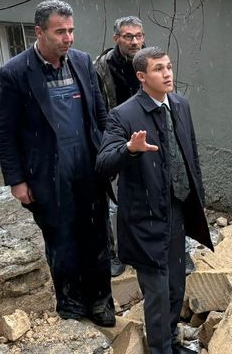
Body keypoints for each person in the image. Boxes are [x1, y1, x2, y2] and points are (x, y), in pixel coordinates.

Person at [0, 0, 115, 326]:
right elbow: (5, 134)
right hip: (47, 170)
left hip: (87, 163)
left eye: (71, 30)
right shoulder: (14, 74)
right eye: (60, 31)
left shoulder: (82, 62)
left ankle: (101, 301)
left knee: (97, 234)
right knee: (61, 238)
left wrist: (106, 154)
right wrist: (17, 181)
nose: (68, 38)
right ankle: (71, 302)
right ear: (40, 32)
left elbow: (98, 114)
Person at [96, 46, 212, 354]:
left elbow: (192, 155)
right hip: (145, 217)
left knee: (176, 285)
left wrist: (198, 197)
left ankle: (170, 341)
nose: (167, 73)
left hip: (177, 209)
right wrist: (130, 150)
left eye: (169, 67)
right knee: (158, 292)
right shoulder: (124, 114)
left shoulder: (180, 105)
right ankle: (160, 349)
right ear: (142, 76)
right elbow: (103, 163)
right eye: (159, 69)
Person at [95, 16, 146, 277]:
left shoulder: (150, 62)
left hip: (147, 138)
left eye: (138, 36)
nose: (135, 41)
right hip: (114, 138)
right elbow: (98, 108)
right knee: (112, 202)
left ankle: (172, 249)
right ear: (116, 39)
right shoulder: (101, 68)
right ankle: (115, 253)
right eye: (128, 36)